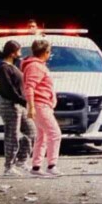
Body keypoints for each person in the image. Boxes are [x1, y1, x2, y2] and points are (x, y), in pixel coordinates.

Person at [0, 40, 36, 176]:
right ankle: (9, 166)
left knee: (31, 130)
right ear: (13, 53)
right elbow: (8, 90)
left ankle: (22, 160)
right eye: (18, 50)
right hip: (10, 105)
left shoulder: (13, 67)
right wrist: (24, 101)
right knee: (12, 135)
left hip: (19, 104)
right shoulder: (4, 69)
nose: (20, 53)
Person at [23, 39, 62, 177]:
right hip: (40, 105)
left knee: (43, 135)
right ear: (45, 52)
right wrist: (32, 107)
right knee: (55, 133)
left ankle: (36, 165)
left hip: (42, 104)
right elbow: (30, 87)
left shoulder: (35, 65)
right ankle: (52, 165)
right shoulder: (36, 66)